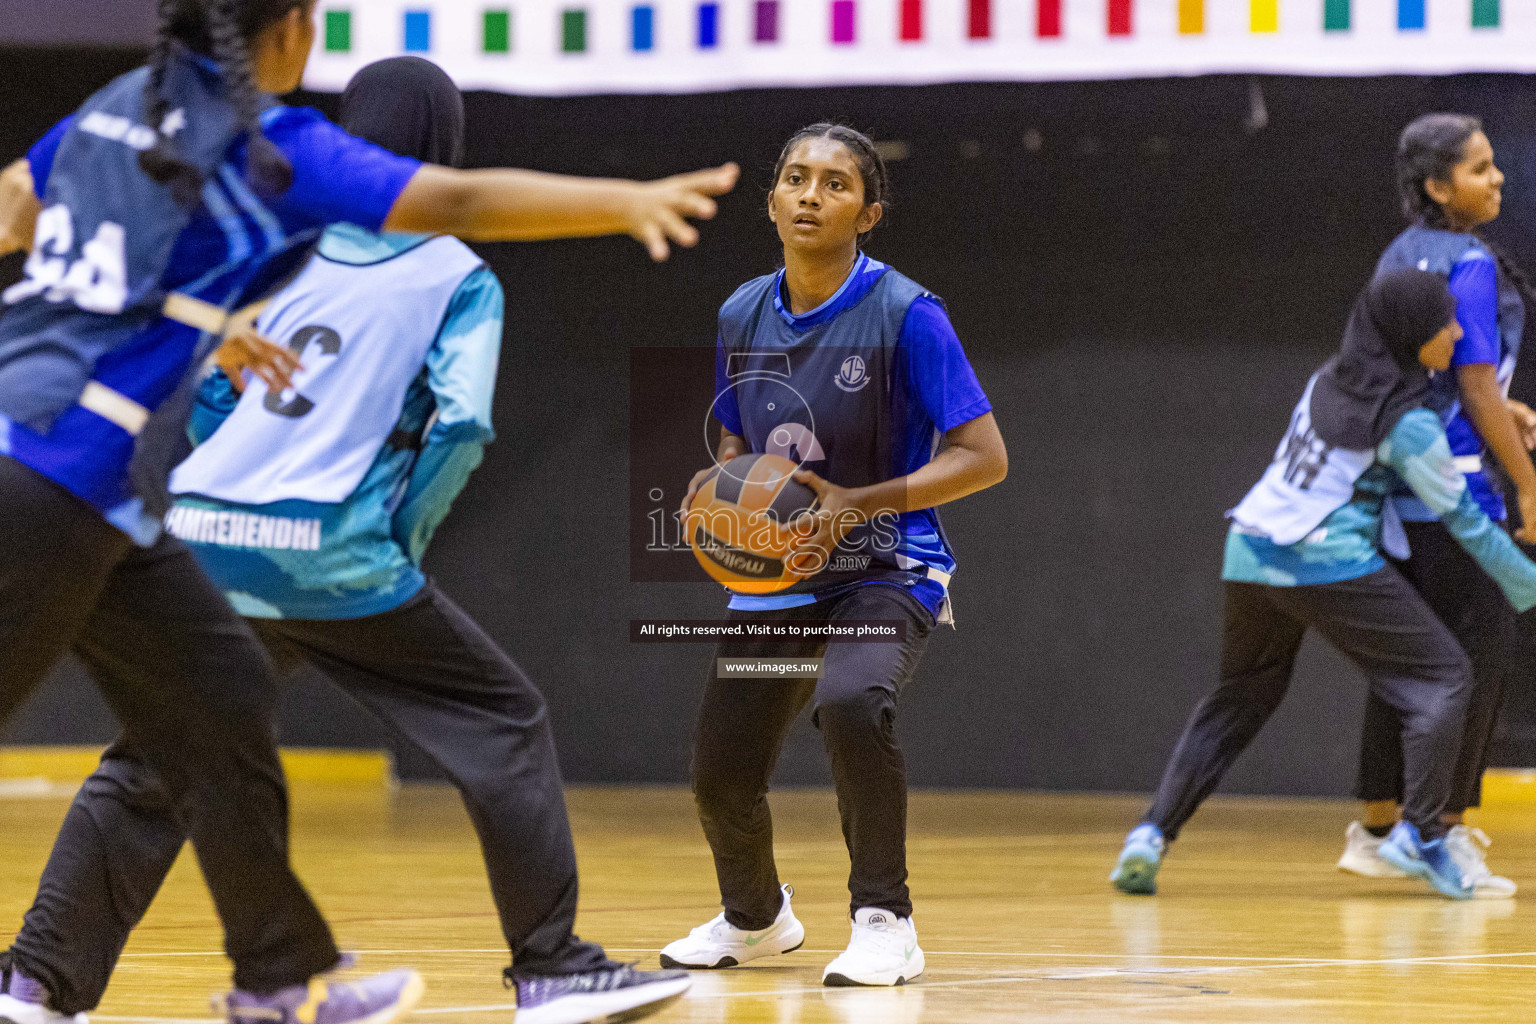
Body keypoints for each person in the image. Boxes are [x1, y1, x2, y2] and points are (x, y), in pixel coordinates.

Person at [0, 1, 735, 1022]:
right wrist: (624, 201)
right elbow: (463, 376)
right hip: (252, 535)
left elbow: (29, 224)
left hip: (180, 523)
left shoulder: (168, 148)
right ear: (291, 31)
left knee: (187, 731)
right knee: (496, 714)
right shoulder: (371, 217)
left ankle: (93, 980)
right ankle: (551, 965)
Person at [658, 124, 1008, 986]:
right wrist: (728, 492)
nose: (811, 194)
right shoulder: (741, 311)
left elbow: (984, 457)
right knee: (719, 772)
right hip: (784, 571)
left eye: (836, 184)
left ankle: (885, 919)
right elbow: (738, 432)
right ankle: (755, 919)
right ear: (772, 200)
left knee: (853, 703)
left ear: (869, 212)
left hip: (889, 563)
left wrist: (861, 504)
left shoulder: (906, 314)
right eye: (794, 178)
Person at [1108, 269, 1536, 901]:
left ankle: (1149, 835)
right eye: (1446, 321)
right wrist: (1527, 583)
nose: (1456, 331)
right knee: (1443, 678)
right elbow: (1468, 523)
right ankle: (1416, 835)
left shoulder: (1330, 379)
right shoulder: (1408, 424)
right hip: (1321, 556)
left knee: (1239, 698)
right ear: (1414, 333)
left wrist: (1500, 409)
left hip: (1250, 548)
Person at [1338, 113, 1536, 898]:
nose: (1496, 181)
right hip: (1460, 493)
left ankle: (1378, 827)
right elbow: (1479, 386)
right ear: (1436, 185)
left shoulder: (1398, 255)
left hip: (1397, 488)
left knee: (1408, 665)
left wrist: (1498, 412)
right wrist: (1525, 481)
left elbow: (1431, 379)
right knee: (1478, 663)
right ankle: (1444, 832)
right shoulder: (1471, 263)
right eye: (1480, 170)